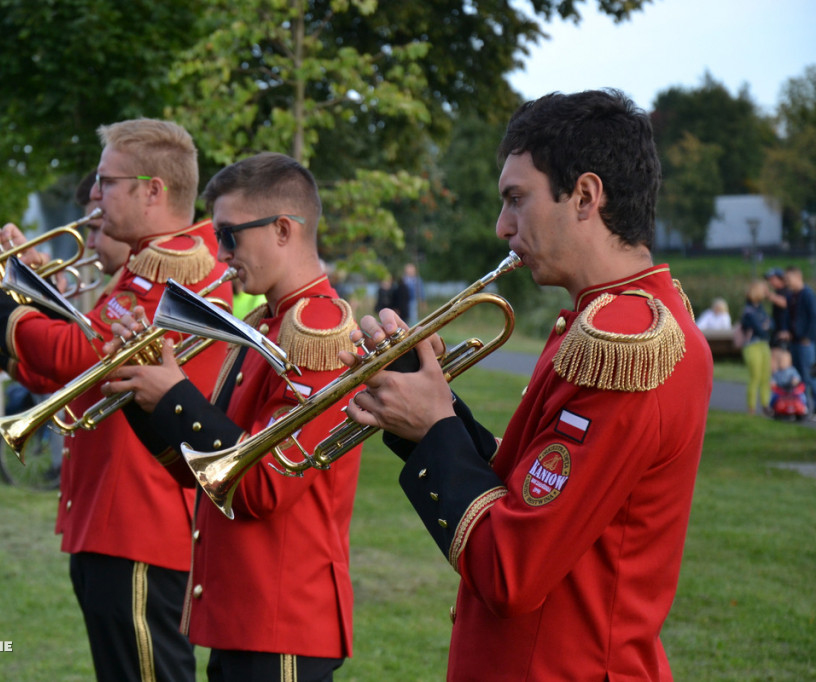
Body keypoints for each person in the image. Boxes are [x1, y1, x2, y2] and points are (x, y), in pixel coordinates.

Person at [342, 89, 713, 681]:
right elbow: (531, 488)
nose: (502, 225)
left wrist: (436, 429)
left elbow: (512, 571)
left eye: (517, 199)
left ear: (586, 196)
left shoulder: (625, 341)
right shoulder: (604, 321)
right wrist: (429, 403)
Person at [0, 119, 233, 682]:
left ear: (152, 190)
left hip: (141, 518)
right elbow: (77, 371)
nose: (94, 195)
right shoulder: (147, 267)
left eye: (106, 181)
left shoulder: (170, 269)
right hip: (115, 513)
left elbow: (78, 353)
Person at [102, 152, 363, 681]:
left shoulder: (319, 330)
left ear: (283, 230)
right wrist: (142, 389)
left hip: (281, 620)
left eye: (230, 236)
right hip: (243, 620)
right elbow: (201, 473)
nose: (221, 256)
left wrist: (175, 395)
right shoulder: (267, 324)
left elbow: (263, 485)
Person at [783, 265, 816, 417]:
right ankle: (803, 407)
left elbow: (814, 317)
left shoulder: (808, 295)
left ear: (798, 277)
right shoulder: (791, 297)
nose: (787, 282)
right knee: (799, 377)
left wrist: (807, 337)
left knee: (810, 376)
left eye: (788, 279)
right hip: (795, 341)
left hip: (805, 343)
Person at [740, 280, 773, 415]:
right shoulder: (748, 311)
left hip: (764, 344)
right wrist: (765, 325)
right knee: (755, 376)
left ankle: (766, 404)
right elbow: (761, 328)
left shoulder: (760, 308)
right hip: (752, 346)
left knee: (766, 376)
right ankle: (751, 407)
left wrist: (766, 326)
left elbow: (771, 324)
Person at [770, 344, 807, 418]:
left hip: (791, 390)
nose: (782, 363)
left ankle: (803, 408)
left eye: (785, 361)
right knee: (774, 397)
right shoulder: (777, 372)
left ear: (789, 362)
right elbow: (773, 381)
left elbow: (796, 378)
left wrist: (794, 382)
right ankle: (772, 408)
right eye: (781, 361)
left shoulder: (792, 370)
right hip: (781, 390)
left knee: (801, 396)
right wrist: (773, 383)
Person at [764, 267, 790, 345]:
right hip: (777, 331)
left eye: (772, 279)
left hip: (784, 334)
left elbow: (785, 303)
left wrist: (768, 294)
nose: (770, 282)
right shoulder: (777, 292)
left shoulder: (788, 290)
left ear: (780, 279)